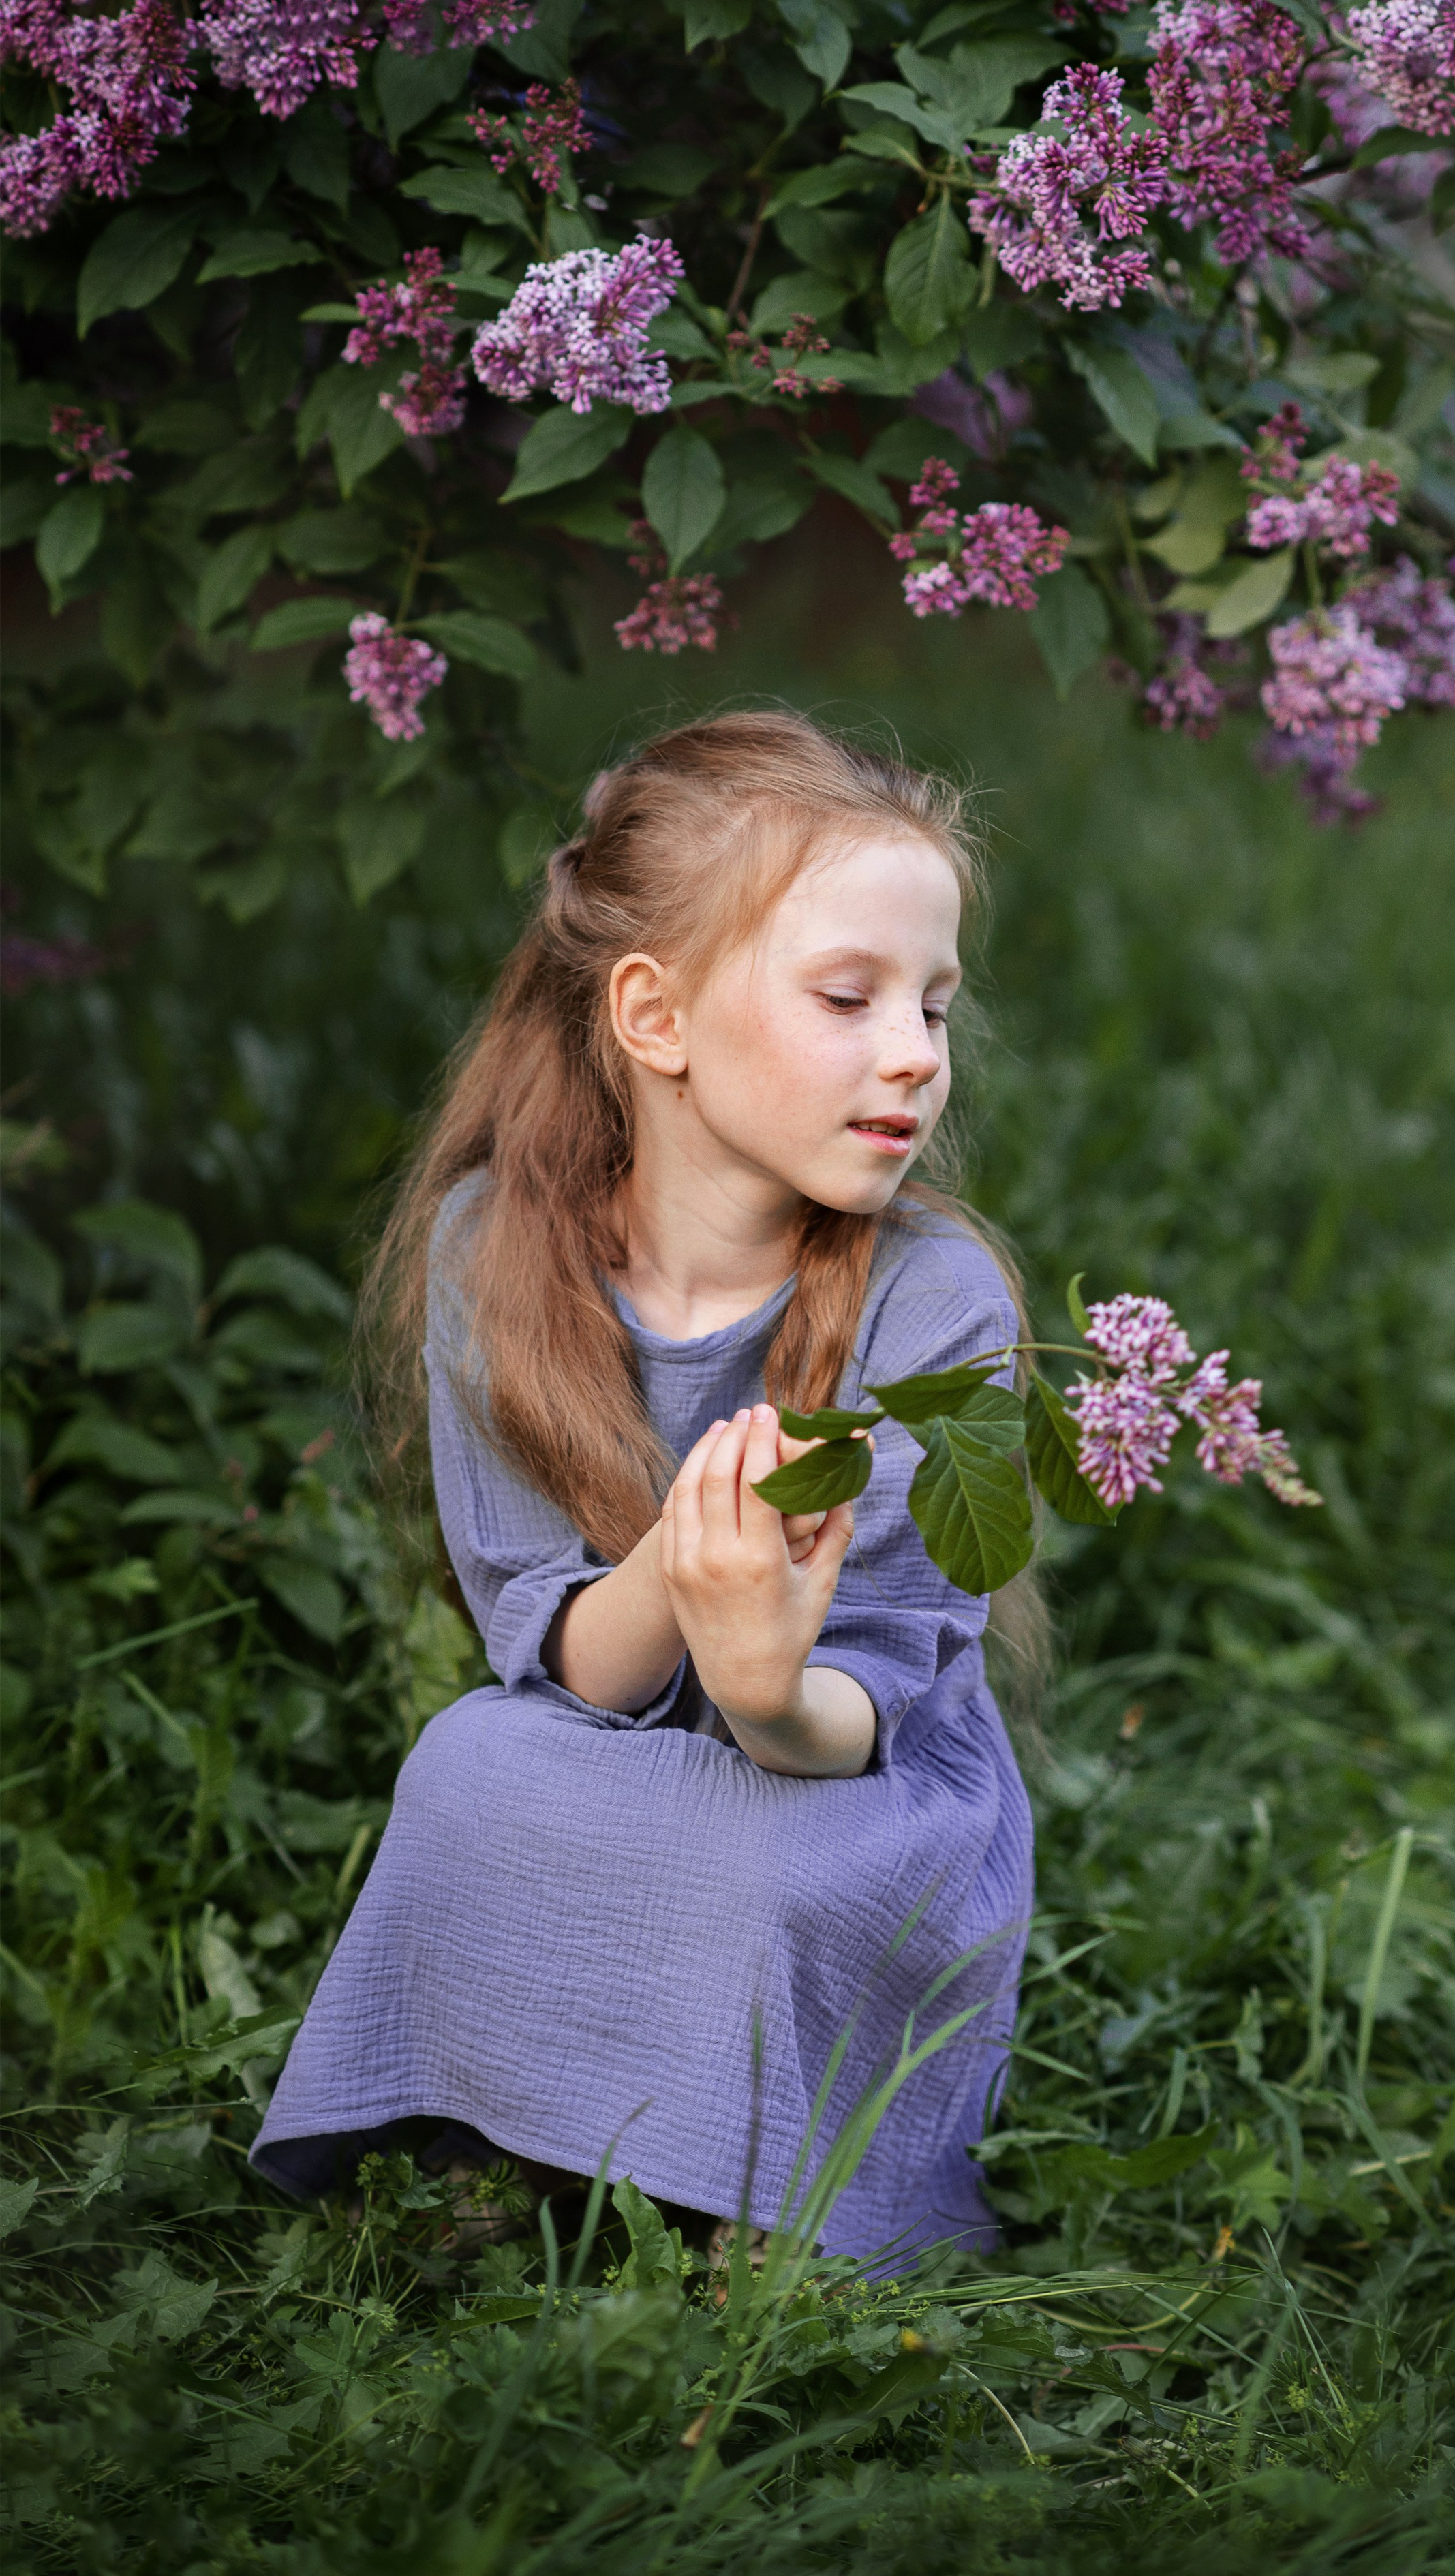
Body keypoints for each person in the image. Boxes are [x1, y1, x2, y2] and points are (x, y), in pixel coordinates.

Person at [251, 709, 1036, 2267]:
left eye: (934, 1005)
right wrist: (684, 1566)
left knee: (774, 1862)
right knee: (472, 1764)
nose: (914, 1053)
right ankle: (518, 2128)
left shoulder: (935, 1300)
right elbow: (566, 1667)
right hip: (608, 1733)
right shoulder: (496, 1254)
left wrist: (763, 1683)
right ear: (653, 1014)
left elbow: (863, 1707)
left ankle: (767, 2193)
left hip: (846, 1778)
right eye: (848, 997)